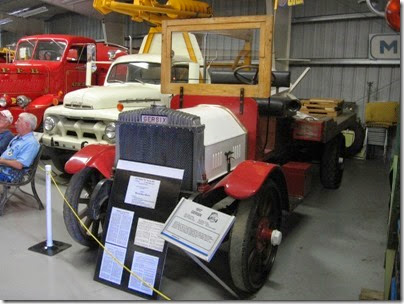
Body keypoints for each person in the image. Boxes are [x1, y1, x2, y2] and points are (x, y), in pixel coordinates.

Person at [0, 113, 39, 183]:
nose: (15, 123)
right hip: (3, 169)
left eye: (18, 121)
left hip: (10, 174)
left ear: (27, 125)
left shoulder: (31, 143)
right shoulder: (18, 137)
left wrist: (2, 161)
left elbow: (19, 165)